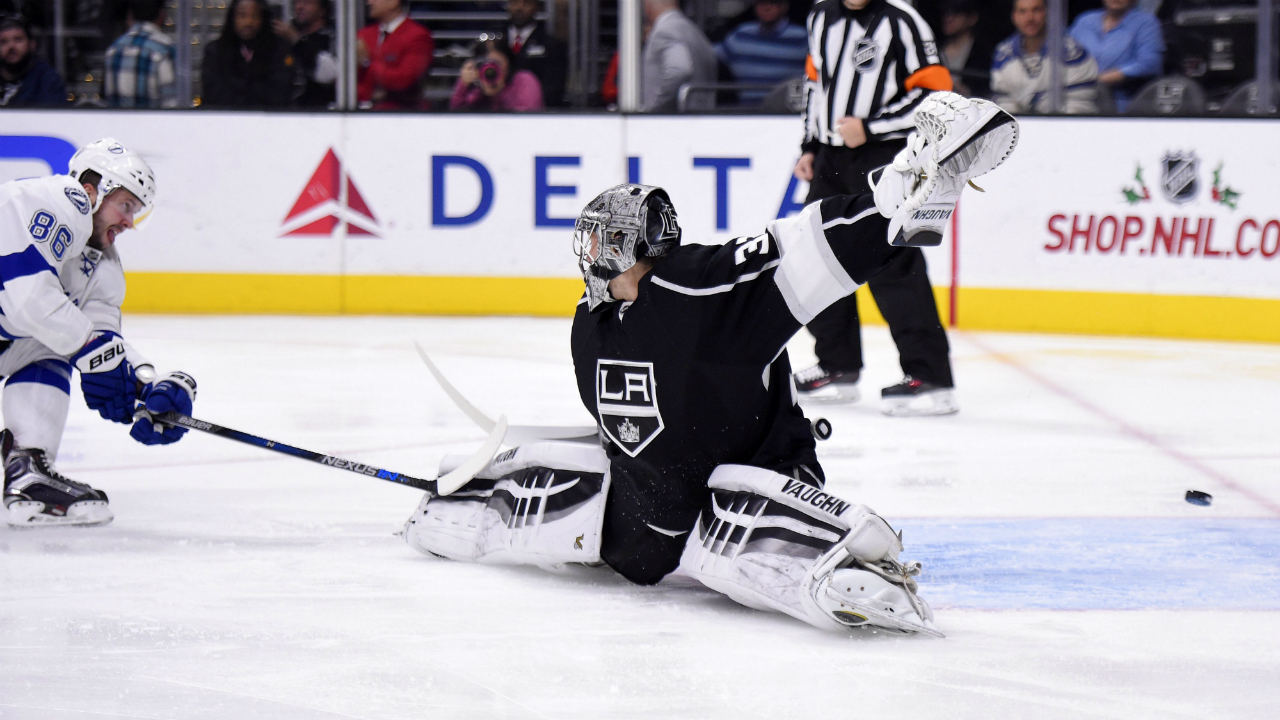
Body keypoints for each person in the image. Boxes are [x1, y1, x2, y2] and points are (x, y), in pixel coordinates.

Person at [403, 93, 1019, 636]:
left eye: (595, 240)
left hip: (740, 487)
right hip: (647, 526)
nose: (586, 255)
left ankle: (905, 187)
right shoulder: (589, 324)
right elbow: (624, 429)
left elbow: (795, 251)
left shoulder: (695, 289)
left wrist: (890, 212)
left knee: (737, 504)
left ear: (620, 247)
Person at [0, 138, 198, 528]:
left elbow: (100, 338)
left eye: (135, 212)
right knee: (64, 340)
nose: (129, 222)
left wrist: (147, 383)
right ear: (91, 189)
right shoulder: (54, 199)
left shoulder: (102, 266)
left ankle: (28, 468)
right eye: (125, 205)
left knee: (56, 347)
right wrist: (97, 357)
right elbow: (29, 300)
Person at [793, 0, 959, 416]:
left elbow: (937, 95)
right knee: (818, 257)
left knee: (894, 265)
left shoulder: (903, 19)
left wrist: (870, 128)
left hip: (883, 156)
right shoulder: (820, 15)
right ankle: (838, 364)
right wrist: (811, 145)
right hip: (831, 158)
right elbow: (816, 85)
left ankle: (931, 376)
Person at [992, 0, 1098, 115]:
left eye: (1036, 10)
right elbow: (1003, 103)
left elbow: (1079, 107)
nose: (1030, 18)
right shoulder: (1003, 55)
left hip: (1065, 128)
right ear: (1014, 16)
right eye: (1022, 12)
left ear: (1048, 13)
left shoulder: (1072, 53)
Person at [1069, 0, 1162, 113]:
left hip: (1123, 105)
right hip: (1078, 99)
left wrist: (1099, 79)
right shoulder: (1085, 20)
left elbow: (1149, 63)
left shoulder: (1146, 23)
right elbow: (1063, 54)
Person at [200, 0, 294, 108]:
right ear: (232, 18)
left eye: (254, 16)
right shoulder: (215, 51)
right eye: (242, 15)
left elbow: (280, 92)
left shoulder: (278, 50)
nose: (248, 22)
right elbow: (213, 93)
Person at [715, 0, 809, 105]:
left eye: (773, 2)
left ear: (784, 6)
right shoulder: (740, 35)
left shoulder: (803, 39)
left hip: (787, 116)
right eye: (761, 2)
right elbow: (707, 57)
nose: (767, 7)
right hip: (744, 114)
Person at [640, 0, 716, 112]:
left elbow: (679, 70)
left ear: (648, 5)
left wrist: (654, 107)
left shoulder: (665, 31)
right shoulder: (694, 31)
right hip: (699, 118)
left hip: (669, 121)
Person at [357, 0, 433, 110]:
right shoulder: (364, 35)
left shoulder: (418, 36)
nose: (369, 2)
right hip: (359, 114)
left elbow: (403, 81)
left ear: (393, 2)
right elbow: (348, 80)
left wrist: (368, 63)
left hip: (401, 115)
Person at [102, 0, 178, 109]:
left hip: (119, 123)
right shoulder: (165, 49)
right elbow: (171, 102)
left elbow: (108, 100)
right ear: (162, 14)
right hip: (155, 123)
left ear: (130, 15)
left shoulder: (113, 50)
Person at [449, 35, 543, 112]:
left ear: (508, 61)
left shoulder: (524, 80)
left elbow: (528, 118)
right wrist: (463, 85)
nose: (492, 69)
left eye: (497, 63)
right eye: (486, 64)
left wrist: (499, 94)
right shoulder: (476, 88)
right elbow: (456, 117)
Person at [502, 0, 566, 107]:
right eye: (514, 2)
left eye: (526, 3)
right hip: (498, 114)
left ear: (537, 7)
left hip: (537, 114)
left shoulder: (552, 45)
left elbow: (554, 88)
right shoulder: (495, 40)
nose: (519, 8)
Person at [273, 0, 335, 107]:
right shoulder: (286, 39)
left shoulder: (331, 38)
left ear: (322, 10)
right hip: (285, 112)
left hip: (319, 112)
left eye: (307, 2)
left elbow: (328, 74)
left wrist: (297, 41)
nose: (299, 7)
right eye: (296, 2)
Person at [0, 13, 67, 107]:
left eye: (18, 40)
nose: (11, 47)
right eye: (3, 42)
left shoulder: (47, 81)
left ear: (32, 44)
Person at [938, 0, 992, 98]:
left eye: (956, 14)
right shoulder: (934, 49)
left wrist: (966, 90)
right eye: (947, 14)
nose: (949, 19)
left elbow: (985, 91)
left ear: (972, 19)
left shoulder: (982, 54)